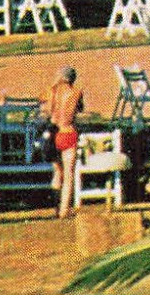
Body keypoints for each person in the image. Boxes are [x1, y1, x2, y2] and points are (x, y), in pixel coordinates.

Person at [40, 66, 83, 219]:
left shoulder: (52, 91)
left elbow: (45, 110)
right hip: (68, 133)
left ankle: (56, 207)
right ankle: (64, 210)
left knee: (57, 172)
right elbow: (79, 109)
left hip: (53, 134)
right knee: (69, 174)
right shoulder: (76, 92)